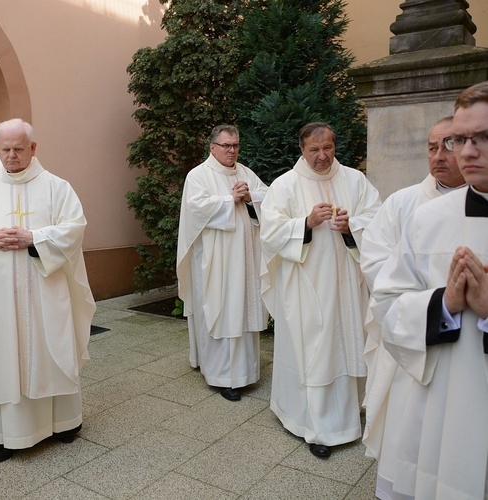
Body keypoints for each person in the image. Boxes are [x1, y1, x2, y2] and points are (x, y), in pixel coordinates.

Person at [0, 118, 96, 463]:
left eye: (19, 149)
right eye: (5, 150)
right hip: (2, 296)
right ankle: (10, 436)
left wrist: (36, 238)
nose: (11, 156)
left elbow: (75, 228)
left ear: (33, 148)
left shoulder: (57, 187)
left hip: (46, 292)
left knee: (52, 349)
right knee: (7, 356)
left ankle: (64, 423)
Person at [371, 82, 488, 499]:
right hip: (435, 400)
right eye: (462, 139)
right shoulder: (428, 218)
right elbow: (386, 303)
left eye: (483, 138)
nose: (467, 152)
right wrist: (444, 304)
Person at [259, 122, 381, 459]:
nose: (323, 155)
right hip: (306, 289)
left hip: (347, 286)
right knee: (314, 351)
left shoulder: (355, 180)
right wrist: (305, 224)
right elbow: (269, 233)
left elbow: (378, 218)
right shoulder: (285, 186)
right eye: (315, 149)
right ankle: (314, 425)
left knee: (348, 344)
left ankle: (349, 416)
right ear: (302, 149)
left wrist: (352, 225)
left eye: (328, 147)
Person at [359, 117, 465, 473]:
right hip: (413, 331)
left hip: (469, 341)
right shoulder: (403, 203)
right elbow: (375, 257)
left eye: (449, 145)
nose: (439, 156)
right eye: (432, 147)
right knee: (407, 428)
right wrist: (429, 300)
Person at [176, 124, 268, 401]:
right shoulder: (198, 175)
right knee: (219, 309)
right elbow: (195, 209)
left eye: (236, 145)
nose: (232, 151)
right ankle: (220, 375)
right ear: (212, 147)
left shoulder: (246, 172)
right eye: (226, 146)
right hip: (214, 260)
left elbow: (269, 196)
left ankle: (246, 372)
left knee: (242, 308)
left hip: (244, 258)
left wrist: (251, 197)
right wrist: (230, 199)